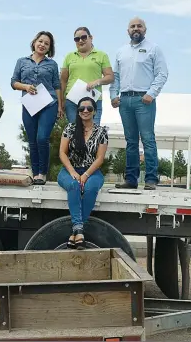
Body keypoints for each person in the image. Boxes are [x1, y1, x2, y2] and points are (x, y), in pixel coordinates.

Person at [109, 17, 169, 190]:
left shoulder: (153, 49)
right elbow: (116, 76)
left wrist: (151, 93)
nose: (136, 29)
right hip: (125, 100)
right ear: (127, 30)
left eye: (139, 26)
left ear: (145, 29)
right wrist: (114, 95)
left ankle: (150, 179)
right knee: (131, 141)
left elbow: (162, 73)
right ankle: (131, 180)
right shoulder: (121, 52)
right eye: (132, 26)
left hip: (144, 100)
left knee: (148, 139)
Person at [11, 31, 63, 185]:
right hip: (30, 105)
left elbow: (57, 85)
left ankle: (43, 173)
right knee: (32, 141)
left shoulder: (52, 64)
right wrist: (25, 86)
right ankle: (35, 174)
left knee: (42, 138)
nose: (42, 45)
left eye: (46, 44)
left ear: (49, 48)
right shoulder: (22, 61)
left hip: (49, 104)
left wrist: (60, 105)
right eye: (41, 41)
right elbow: (13, 82)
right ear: (34, 42)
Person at [57, 97, 108, 249]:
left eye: (89, 108)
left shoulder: (101, 132)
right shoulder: (70, 128)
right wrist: (73, 172)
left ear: (94, 111)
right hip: (69, 170)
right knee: (74, 185)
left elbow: (100, 159)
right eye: (82, 109)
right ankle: (79, 229)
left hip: (92, 171)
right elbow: (62, 153)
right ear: (78, 112)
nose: (85, 111)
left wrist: (85, 175)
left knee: (91, 188)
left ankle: (76, 233)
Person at [60, 27, 114, 126]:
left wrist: (96, 82)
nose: (80, 40)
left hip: (94, 102)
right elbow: (63, 80)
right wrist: (62, 101)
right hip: (72, 102)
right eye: (77, 39)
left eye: (83, 37)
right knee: (75, 133)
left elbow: (110, 77)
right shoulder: (69, 56)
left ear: (91, 37)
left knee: (92, 134)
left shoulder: (101, 55)